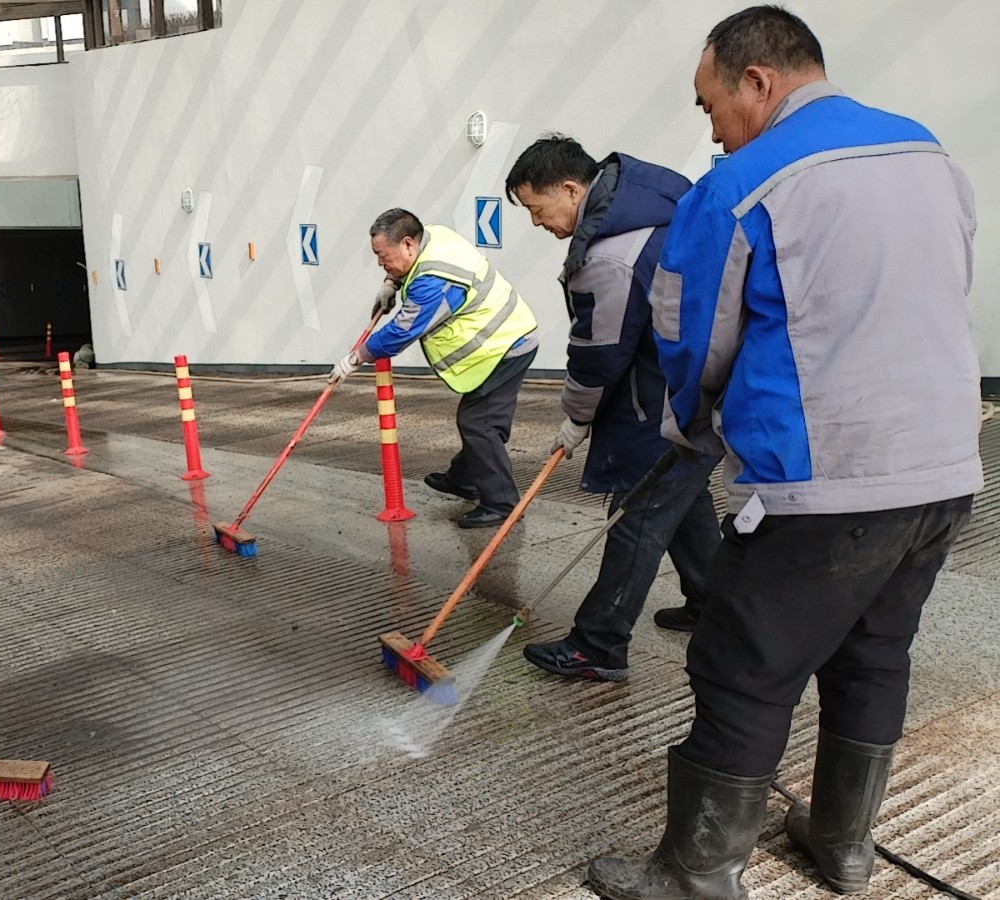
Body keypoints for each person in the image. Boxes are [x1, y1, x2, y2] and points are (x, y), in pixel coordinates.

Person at [587, 7, 981, 899]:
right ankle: (844, 844)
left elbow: (690, 338)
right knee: (874, 652)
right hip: (944, 466)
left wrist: (689, 427)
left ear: (757, 82)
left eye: (710, 105)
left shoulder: (741, 185)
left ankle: (697, 872)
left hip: (824, 478)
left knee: (740, 664)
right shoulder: (927, 153)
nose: (712, 131)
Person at [504, 135, 723, 682]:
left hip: (662, 405)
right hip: (705, 387)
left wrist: (576, 417)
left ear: (571, 189)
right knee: (685, 500)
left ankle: (598, 644)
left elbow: (598, 355)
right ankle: (713, 605)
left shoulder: (608, 256)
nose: (536, 222)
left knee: (637, 517)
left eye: (536, 208)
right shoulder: (649, 194)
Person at [330, 208, 539, 528]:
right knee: (477, 420)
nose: (380, 262)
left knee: (480, 423)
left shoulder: (433, 281)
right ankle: (463, 479)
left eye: (382, 256)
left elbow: (403, 330)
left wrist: (356, 357)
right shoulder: (432, 236)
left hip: (504, 345)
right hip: (506, 337)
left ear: (408, 244)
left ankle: (502, 504)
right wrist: (391, 282)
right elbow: (408, 269)